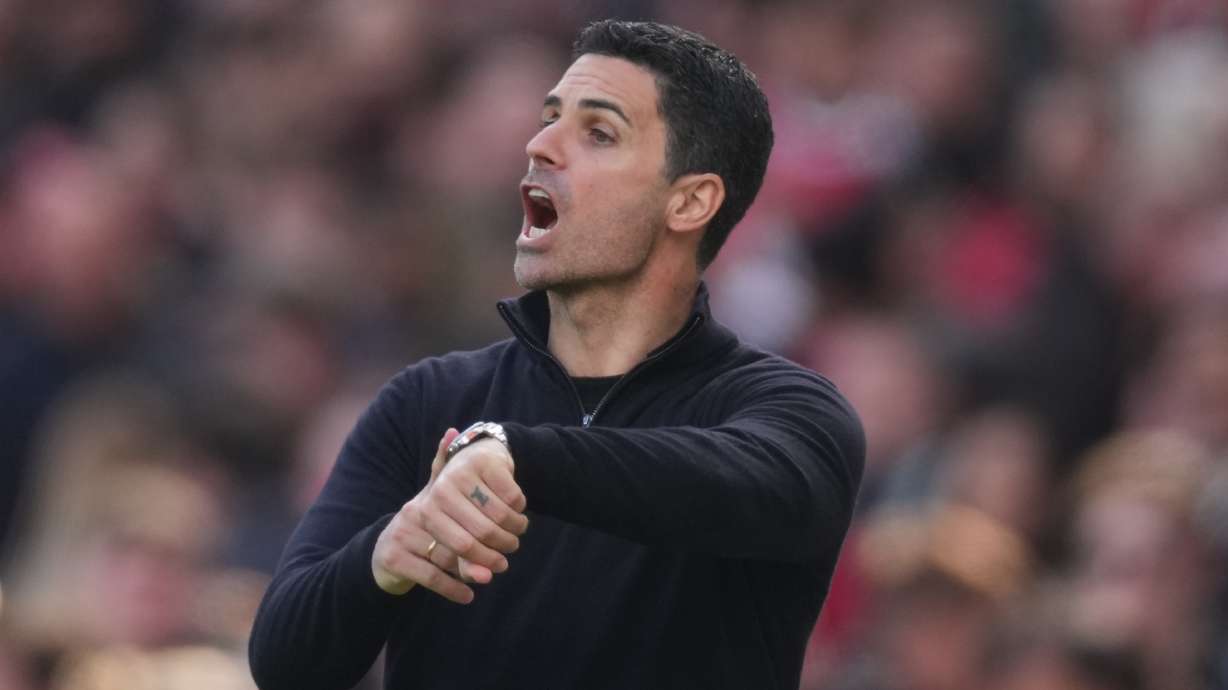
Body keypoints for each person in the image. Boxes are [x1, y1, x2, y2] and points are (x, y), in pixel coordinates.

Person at [249, 20, 864, 690]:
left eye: (597, 133)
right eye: (548, 120)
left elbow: (759, 490)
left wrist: (515, 454)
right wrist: (385, 554)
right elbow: (284, 664)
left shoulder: (788, 411)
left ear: (689, 202)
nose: (539, 145)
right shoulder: (427, 401)